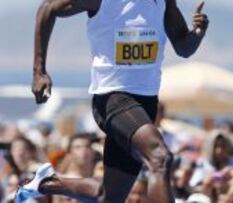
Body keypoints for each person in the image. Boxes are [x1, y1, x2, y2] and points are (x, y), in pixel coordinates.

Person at [16, 0, 209, 202]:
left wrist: (198, 31)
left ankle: (46, 183)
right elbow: (48, 8)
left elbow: (183, 47)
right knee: (159, 157)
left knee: (108, 196)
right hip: (112, 99)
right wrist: (39, 71)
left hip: (145, 105)